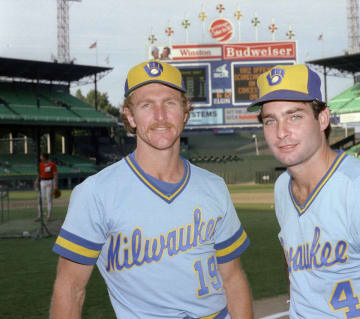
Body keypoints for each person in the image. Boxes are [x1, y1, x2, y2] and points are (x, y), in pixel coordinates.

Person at [50, 60, 253, 319]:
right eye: (147, 105)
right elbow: (70, 289)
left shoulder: (214, 187)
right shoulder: (96, 193)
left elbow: (233, 279)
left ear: (185, 111)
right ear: (130, 117)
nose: (160, 116)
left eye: (170, 102)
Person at [247, 64, 360, 318]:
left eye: (294, 116)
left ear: (322, 119)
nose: (281, 132)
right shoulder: (281, 189)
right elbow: (299, 277)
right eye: (270, 121)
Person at [34, 152, 58, 222]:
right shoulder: (40, 164)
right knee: (40, 199)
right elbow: (39, 174)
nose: (40, 158)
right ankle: (39, 215)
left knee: (49, 199)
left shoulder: (52, 164)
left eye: (41, 156)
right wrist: (36, 181)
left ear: (44, 157)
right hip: (42, 182)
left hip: (50, 182)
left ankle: (49, 216)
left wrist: (55, 185)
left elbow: (55, 175)